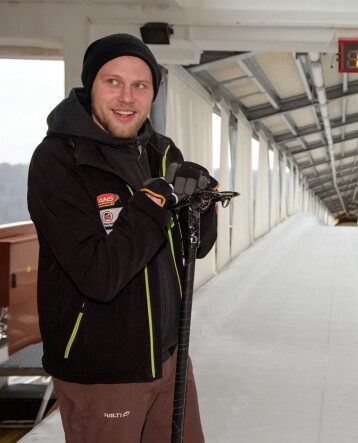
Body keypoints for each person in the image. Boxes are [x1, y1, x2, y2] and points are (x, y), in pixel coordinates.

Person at [27, 33, 218, 442]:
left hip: (169, 359)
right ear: (89, 84)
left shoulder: (161, 153)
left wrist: (203, 204)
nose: (126, 97)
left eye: (140, 85)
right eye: (112, 81)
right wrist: (152, 203)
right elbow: (100, 275)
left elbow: (196, 246)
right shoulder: (59, 161)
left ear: (152, 94)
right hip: (104, 373)